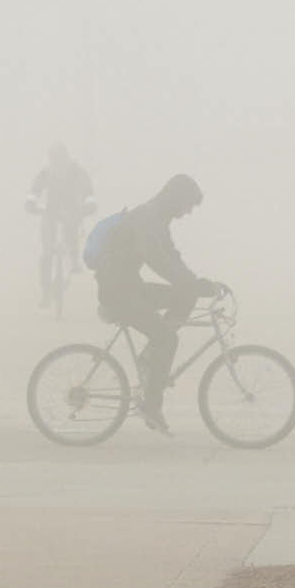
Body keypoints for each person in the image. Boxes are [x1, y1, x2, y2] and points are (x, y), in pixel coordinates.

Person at [89, 173, 215, 431]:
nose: (187, 213)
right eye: (187, 206)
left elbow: (172, 257)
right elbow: (156, 258)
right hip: (119, 294)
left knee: (185, 296)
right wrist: (192, 285)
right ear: (175, 198)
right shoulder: (147, 219)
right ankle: (151, 406)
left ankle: (149, 360)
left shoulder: (157, 218)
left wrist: (197, 284)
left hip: (130, 289)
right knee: (168, 339)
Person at [26, 144, 95, 313]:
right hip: (50, 213)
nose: (57, 161)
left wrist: (89, 205)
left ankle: (74, 259)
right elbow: (34, 190)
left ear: (66, 157)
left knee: (71, 231)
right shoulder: (46, 173)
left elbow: (88, 191)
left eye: (59, 158)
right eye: (54, 158)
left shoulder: (77, 171)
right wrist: (31, 203)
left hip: (72, 212)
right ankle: (46, 291)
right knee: (47, 252)